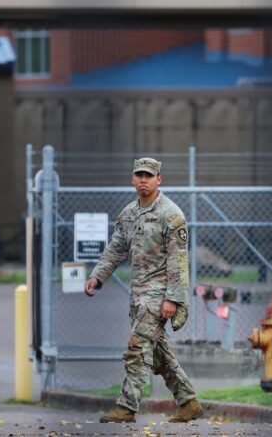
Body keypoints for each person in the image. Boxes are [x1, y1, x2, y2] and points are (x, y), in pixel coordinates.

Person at [84, 157, 203, 424]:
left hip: (159, 296)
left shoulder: (171, 215)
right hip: (138, 296)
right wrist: (97, 276)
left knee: (137, 349)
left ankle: (126, 407)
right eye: (139, 175)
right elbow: (115, 249)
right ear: (132, 179)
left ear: (159, 179)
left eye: (149, 175)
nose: (143, 180)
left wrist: (172, 299)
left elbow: (178, 262)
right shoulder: (128, 214)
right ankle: (189, 403)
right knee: (159, 355)